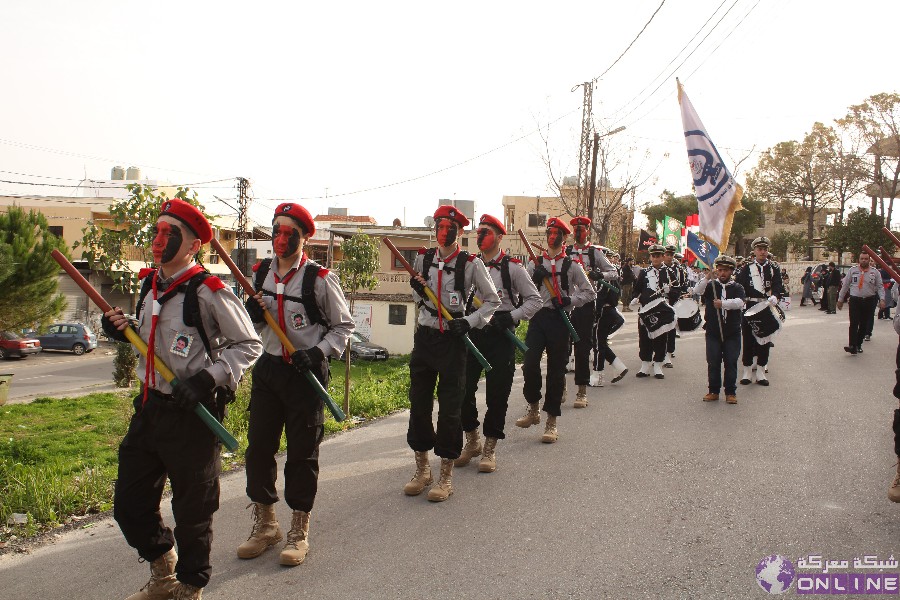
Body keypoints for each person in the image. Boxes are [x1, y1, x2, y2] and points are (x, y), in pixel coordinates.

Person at [102, 199, 263, 600]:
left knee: (194, 510)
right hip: (150, 408)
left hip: (194, 414)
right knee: (129, 504)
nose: (158, 241)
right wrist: (121, 331)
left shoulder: (210, 291)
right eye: (156, 232)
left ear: (193, 245)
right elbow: (151, 340)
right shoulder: (149, 284)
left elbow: (249, 344)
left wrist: (208, 378)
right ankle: (163, 566)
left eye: (169, 234)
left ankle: (191, 585)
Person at [237, 203, 354, 567]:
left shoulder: (320, 279)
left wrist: (318, 353)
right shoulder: (259, 276)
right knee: (258, 449)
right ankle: (266, 524)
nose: (281, 239)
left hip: (306, 375)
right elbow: (249, 330)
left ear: (304, 237)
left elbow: (343, 328)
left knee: (302, 455)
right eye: (276, 232)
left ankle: (298, 530)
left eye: (290, 233)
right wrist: (252, 316)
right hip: (269, 371)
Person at [404, 205, 500, 502]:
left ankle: (445, 474)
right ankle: (422, 469)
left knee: (449, 409)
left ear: (460, 231)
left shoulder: (471, 264)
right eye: (439, 226)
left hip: (453, 342)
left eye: (449, 227)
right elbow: (415, 297)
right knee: (419, 405)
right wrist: (417, 291)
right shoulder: (423, 259)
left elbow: (492, 302)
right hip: (425, 338)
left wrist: (469, 322)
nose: (442, 232)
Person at [456, 214, 541, 472]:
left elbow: (535, 300)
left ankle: (490, 448)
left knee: (497, 394)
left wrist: (511, 317)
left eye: (486, 232)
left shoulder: (513, 267)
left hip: (501, 337)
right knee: (461, 390)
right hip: (474, 334)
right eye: (478, 231)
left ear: (500, 237)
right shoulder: (470, 265)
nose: (480, 236)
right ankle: (472, 441)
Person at [515, 217, 596, 443]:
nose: (552, 237)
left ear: (564, 238)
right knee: (530, 363)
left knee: (556, 372)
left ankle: (551, 421)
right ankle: (533, 408)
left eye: (556, 234)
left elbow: (589, 293)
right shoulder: (535, 263)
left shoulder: (573, 265)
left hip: (560, 320)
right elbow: (523, 291)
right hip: (538, 319)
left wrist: (569, 300)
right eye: (549, 232)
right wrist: (534, 277)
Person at [565, 216, 617, 407]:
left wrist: (599, 274)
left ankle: (581, 390)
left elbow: (614, 272)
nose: (578, 232)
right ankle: (561, 385)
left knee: (583, 346)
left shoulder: (595, 253)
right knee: (562, 346)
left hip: (586, 304)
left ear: (588, 231)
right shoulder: (567, 251)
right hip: (566, 303)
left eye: (582, 228)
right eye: (576, 228)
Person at [692, 255, 745, 404]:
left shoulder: (737, 287)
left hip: (732, 331)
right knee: (713, 361)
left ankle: (730, 392)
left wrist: (723, 304)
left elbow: (740, 302)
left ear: (731, 271)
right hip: (714, 331)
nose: (722, 273)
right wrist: (707, 277)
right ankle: (713, 390)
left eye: (726, 271)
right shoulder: (711, 286)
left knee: (731, 360)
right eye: (720, 270)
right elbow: (697, 290)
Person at [735, 236, 783, 386]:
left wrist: (775, 296)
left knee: (765, 340)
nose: (763, 252)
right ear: (754, 251)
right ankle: (747, 371)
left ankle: (761, 371)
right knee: (748, 340)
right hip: (750, 306)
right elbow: (739, 286)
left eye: (765, 249)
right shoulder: (746, 268)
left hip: (765, 307)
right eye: (760, 249)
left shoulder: (773, 268)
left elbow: (778, 286)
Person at [629, 244, 674, 379]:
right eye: (653, 256)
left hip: (662, 310)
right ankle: (645, 364)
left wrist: (669, 292)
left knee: (661, 338)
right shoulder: (644, 272)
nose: (655, 258)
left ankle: (658, 365)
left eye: (658, 256)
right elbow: (637, 289)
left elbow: (677, 290)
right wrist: (635, 298)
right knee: (644, 337)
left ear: (662, 256)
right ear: (650, 257)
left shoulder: (669, 272)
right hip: (646, 309)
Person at [590, 249, 628, 387]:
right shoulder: (606, 273)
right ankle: (619, 367)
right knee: (598, 343)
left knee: (598, 344)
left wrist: (596, 314)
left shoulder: (601, 274)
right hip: (606, 311)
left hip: (603, 312)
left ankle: (598, 375)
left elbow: (600, 297)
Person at [837, 251, 884, 355]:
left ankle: (858, 344)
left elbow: (880, 287)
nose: (864, 260)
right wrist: (840, 299)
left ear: (869, 260)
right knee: (853, 323)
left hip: (869, 300)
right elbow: (845, 285)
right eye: (862, 258)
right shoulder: (852, 270)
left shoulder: (875, 272)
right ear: (859, 260)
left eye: (866, 259)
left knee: (863, 324)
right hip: (855, 300)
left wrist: (882, 299)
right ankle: (852, 345)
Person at [660, 245, 687, 368]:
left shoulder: (679, 269)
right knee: (660, 327)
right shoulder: (659, 268)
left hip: (674, 300)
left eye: (671, 255)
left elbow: (683, 285)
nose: (669, 257)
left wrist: (685, 292)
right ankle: (659, 351)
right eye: (667, 254)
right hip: (661, 300)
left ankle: (668, 353)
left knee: (671, 327)